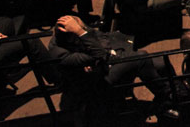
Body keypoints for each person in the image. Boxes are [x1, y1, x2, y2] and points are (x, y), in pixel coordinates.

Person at [48, 15, 179, 120]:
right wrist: (82, 33)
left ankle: (176, 91)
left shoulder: (78, 34)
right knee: (141, 57)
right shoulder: (59, 53)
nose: (85, 30)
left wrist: (98, 52)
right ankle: (166, 97)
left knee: (161, 62)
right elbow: (98, 54)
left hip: (105, 63)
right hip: (95, 84)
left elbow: (102, 38)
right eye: (80, 30)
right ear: (72, 37)